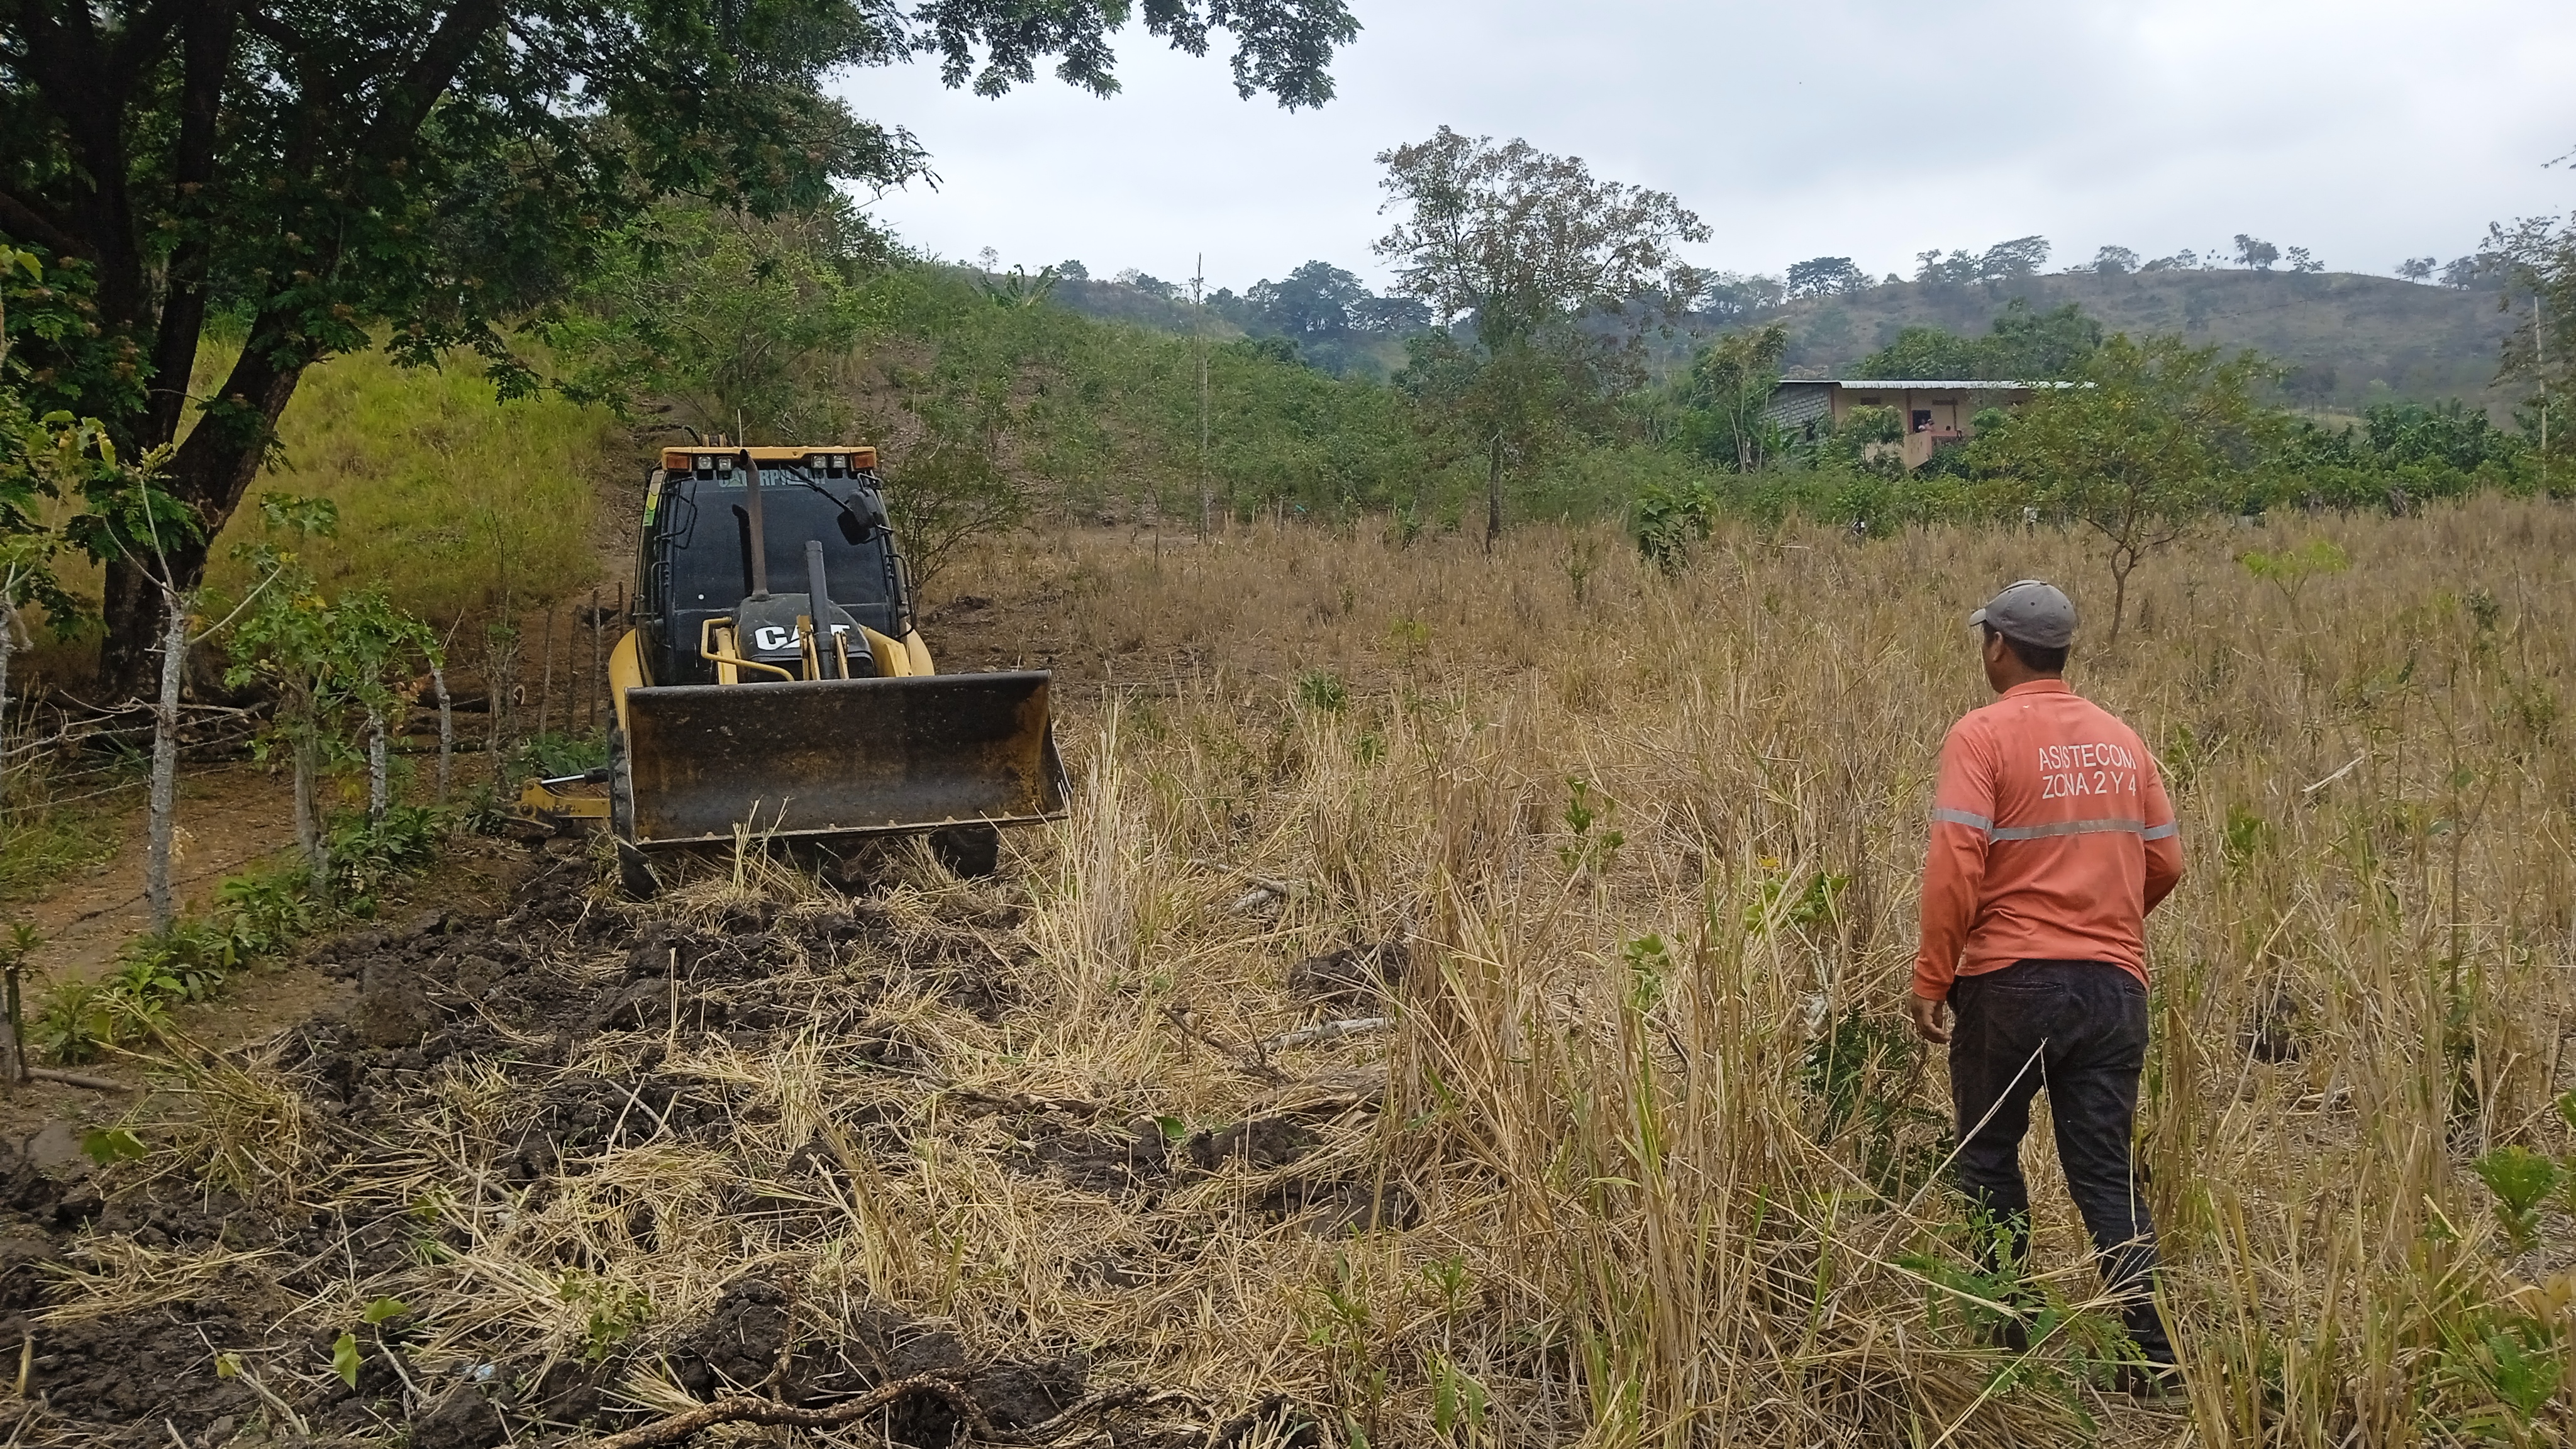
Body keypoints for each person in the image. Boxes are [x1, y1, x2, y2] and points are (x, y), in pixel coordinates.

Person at [1904, 579, 2185, 1391]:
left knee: (1988, 1157)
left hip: (2008, 988)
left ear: (1999, 646)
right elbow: (2167, 862)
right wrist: (2103, 927)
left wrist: (1933, 974)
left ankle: (2007, 1336)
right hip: (2113, 989)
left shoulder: (1981, 735)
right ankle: (2153, 1356)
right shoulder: (2122, 740)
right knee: (2105, 1175)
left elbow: (1956, 864)